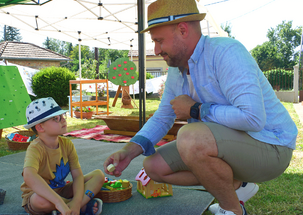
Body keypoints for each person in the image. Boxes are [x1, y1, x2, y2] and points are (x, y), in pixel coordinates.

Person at [103, 0, 297, 215]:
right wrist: (129, 151)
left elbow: (253, 118)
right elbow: (163, 117)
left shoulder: (227, 52)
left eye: (159, 41)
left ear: (183, 30)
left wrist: (196, 109)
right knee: (154, 167)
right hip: (236, 143)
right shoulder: (177, 70)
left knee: (190, 137)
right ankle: (237, 187)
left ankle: (232, 210)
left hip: (271, 147)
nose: (156, 50)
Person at [21, 97, 105, 215]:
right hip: (40, 195)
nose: (63, 120)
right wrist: (58, 202)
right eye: (56, 119)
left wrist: (76, 201)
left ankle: (73, 208)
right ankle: (77, 207)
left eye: (63, 116)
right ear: (40, 127)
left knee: (98, 175)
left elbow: (78, 176)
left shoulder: (67, 144)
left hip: (61, 191)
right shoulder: (35, 148)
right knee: (39, 200)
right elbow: (29, 176)